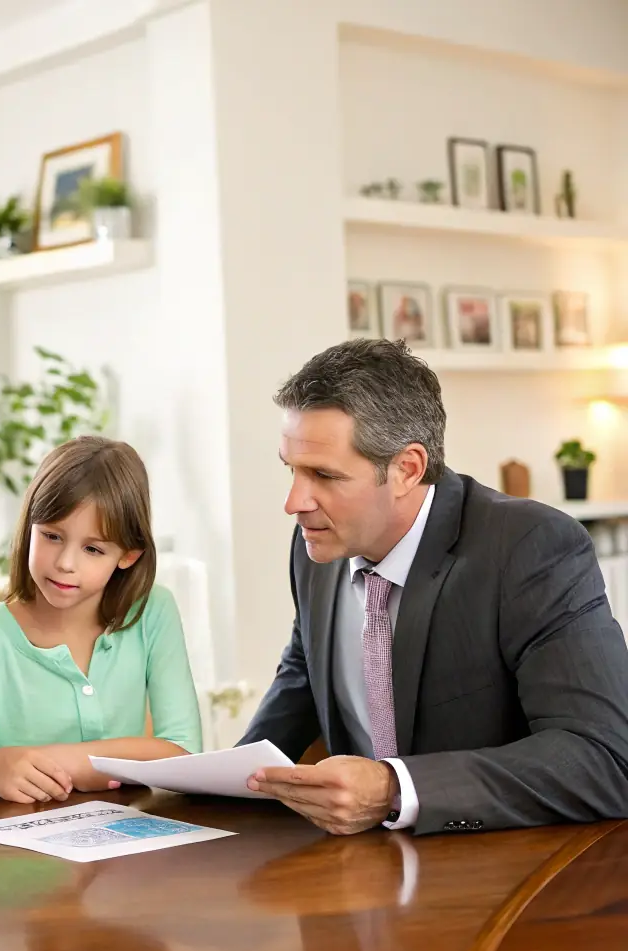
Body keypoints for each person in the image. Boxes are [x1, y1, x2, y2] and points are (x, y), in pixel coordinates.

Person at [240, 338, 628, 835]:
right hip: (354, 870)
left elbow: (603, 759)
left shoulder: (529, 547)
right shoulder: (318, 546)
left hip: (507, 871)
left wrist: (393, 787)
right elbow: (304, 672)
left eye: (323, 475)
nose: (295, 502)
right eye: (292, 470)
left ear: (407, 469)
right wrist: (226, 780)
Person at [0, 436, 203, 802]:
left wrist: (57, 761)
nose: (65, 563)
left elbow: (183, 754)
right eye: (52, 536)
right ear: (29, 529)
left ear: (128, 556)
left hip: (129, 842)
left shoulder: (152, 611)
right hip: (14, 848)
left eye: (93, 549)